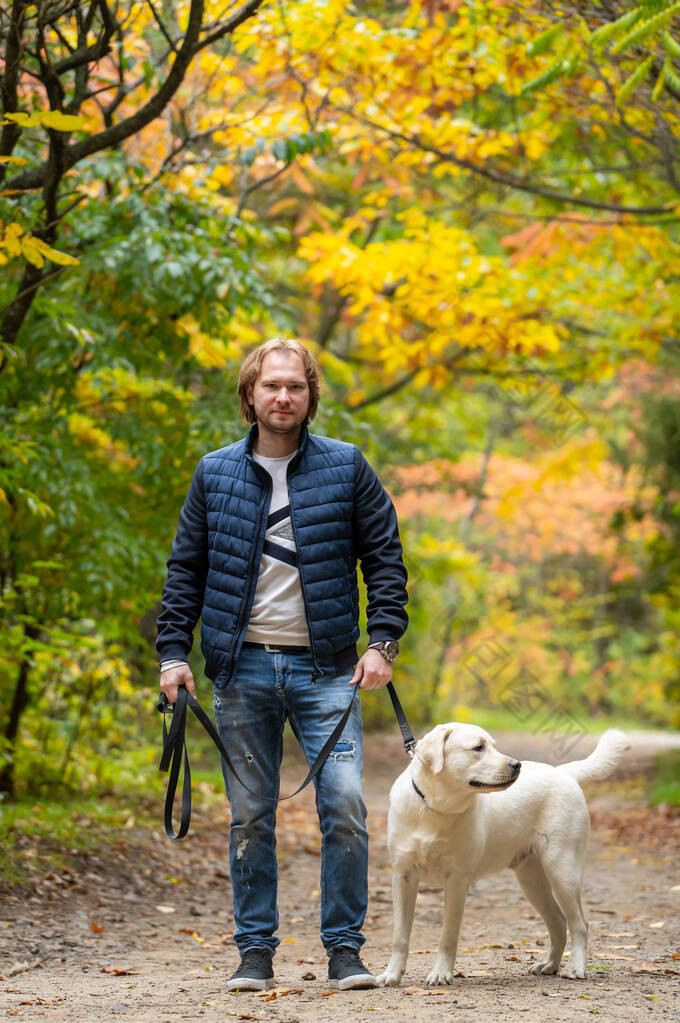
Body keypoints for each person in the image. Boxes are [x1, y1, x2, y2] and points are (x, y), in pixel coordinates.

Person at [156, 337, 408, 992]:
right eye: (271, 385)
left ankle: (345, 950)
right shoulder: (214, 473)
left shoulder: (347, 467)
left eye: (295, 386)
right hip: (241, 673)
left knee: (347, 805)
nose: (283, 396)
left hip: (327, 672)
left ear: (310, 394)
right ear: (250, 394)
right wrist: (173, 653)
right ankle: (254, 952)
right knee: (250, 814)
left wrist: (382, 642)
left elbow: (385, 558)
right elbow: (185, 569)